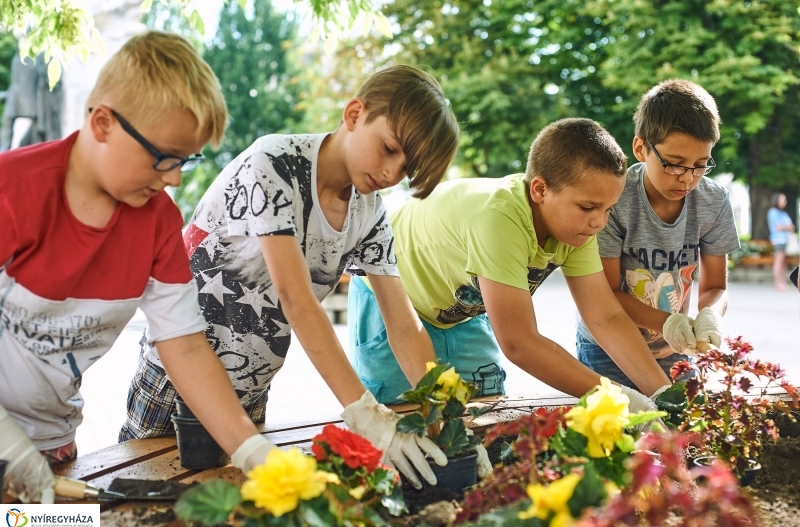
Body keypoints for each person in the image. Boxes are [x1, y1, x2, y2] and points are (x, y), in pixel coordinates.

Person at [120, 65, 465, 489]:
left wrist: (446, 416)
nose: (392, 174)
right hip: (177, 380)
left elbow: (403, 324)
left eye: (406, 167)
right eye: (389, 148)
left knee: (227, 512)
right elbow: (295, 298)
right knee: (132, 502)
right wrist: (363, 411)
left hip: (252, 388)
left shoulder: (370, 211)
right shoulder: (275, 162)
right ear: (355, 113)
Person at [0, 31, 290, 503]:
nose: (175, 177)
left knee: (65, 523)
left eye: (186, 160)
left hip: (54, 450)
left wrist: (251, 448)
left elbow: (187, 349)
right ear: (102, 123)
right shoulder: (10, 192)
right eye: (164, 158)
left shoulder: (158, 222)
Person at [347, 117, 672, 414]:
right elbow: (520, 342)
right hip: (389, 297)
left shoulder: (578, 226)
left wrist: (660, 395)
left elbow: (606, 316)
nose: (599, 222)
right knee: (407, 423)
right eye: (588, 207)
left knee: (482, 416)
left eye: (608, 209)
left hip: (459, 311)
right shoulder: (499, 218)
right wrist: (616, 398)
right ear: (540, 189)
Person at [576, 80, 740, 389]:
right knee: (622, 430)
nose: (688, 178)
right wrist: (667, 322)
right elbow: (606, 294)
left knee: (688, 430)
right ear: (641, 148)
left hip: (673, 348)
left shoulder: (713, 201)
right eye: (675, 164)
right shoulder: (615, 199)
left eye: (701, 165)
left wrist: (710, 316)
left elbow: (716, 286)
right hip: (606, 347)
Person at [768, 193, 796, 291]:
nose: (785, 202)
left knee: (784, 262)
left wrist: (788, 227)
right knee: (779, 261)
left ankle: (782, 282)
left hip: (786, 239)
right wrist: (788, 227)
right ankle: (778, 282)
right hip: (778, 240)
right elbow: (778, 227)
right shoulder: (773, 212)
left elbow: (791, 227)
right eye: (783, 199)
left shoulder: (784, 213)